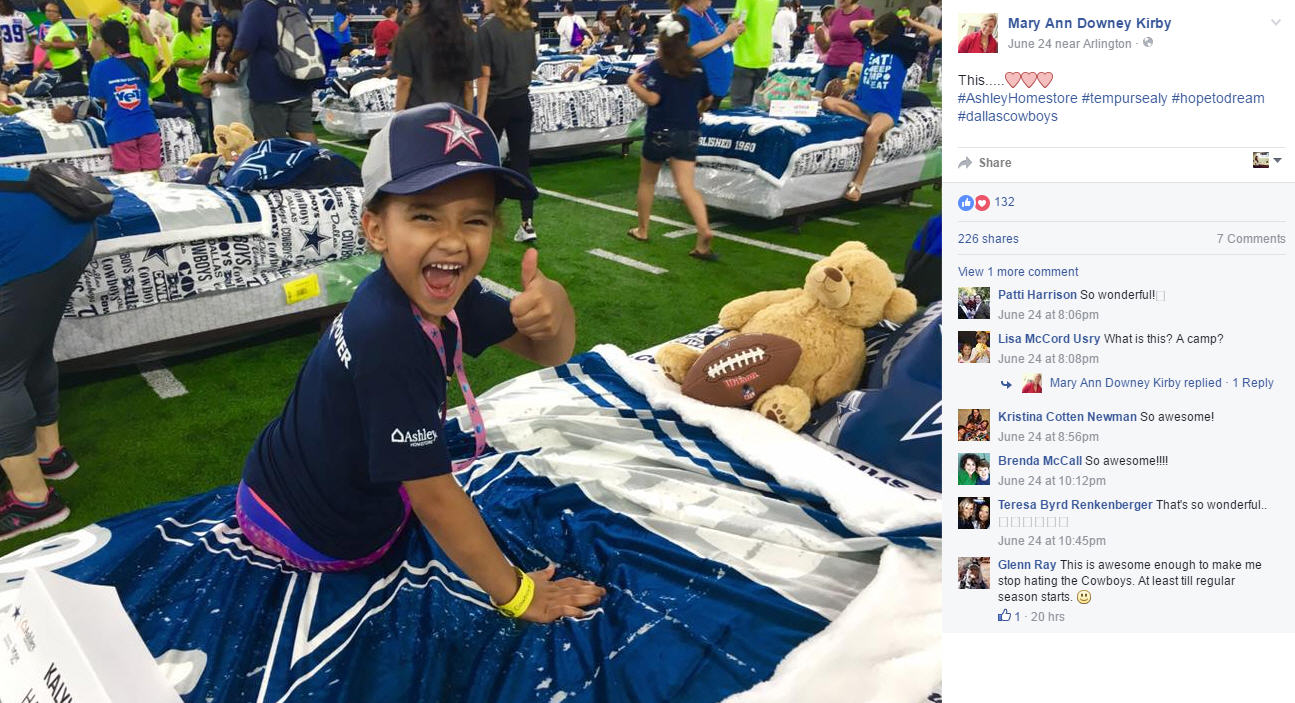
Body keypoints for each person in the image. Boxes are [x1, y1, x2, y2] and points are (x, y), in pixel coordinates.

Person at [238, 102, 603, 619]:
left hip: (275, 474)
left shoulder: (444, 288)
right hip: (312, 528)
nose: (453, 240)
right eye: (425, 214)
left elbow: (548, 352)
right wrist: (519, 595)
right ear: (376, 229)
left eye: (474, 219)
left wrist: (558, 310)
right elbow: (431, 495)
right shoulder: (389, 334)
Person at [0, 167, 97, 541]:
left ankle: (33, 502)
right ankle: (49, 454)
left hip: (32, 239)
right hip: (65, 227)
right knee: (31, 348)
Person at [625, 13, 716, 262]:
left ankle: (642, 229)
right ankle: (704, 231)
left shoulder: (658, 66)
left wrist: (632, 84)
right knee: (687, 187)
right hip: (688, 132)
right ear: (686, 38)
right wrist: (696, 111)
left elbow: (653, 99)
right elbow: (708, 99)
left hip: (659, 133)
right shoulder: (697, 66)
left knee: (647, 182)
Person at [820, 12, 938, 200]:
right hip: (861, 105)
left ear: (892, 35)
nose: (873, 41)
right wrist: (874, 24)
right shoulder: (870, 41)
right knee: (827, 102)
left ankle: (857, 184)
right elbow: (853, 25)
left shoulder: (904, 47)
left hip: (885, 110)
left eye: (878, 37)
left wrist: (912, 21)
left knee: (872, 133)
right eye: (873, 36)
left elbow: (938, 35)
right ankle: (869, 122)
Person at [478, 0, 538, 243]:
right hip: (522, 101)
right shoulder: (527, 28)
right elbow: (531, 67)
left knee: (484, 163)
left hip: (495, 103)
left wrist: (479, 113)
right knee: (522, 162)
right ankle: (528, 223)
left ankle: (481, 218)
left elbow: (484, 74)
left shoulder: (487, 30)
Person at [227, 0, 318, 142]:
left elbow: (243, 47)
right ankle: (316, 163)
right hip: (301, 83)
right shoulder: (296, 5)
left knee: (271, 143)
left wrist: (231, 60)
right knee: (305, 137)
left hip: (270, 88)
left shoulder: (256, 7)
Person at [90, 20, 163, 172]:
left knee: (134, 183)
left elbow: (100, 98)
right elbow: (145, 89)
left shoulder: (100, 68)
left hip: (121, 131)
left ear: (106, 45)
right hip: (147, 127)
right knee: (154, 180)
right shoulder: (140, 64)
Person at [392, 0, 480, 111]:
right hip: (453, 115)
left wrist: (398, 116)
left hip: (418, 114)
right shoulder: (467, 33)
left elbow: (404, 80)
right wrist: (467, 117)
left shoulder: (408, 31)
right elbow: (468, 85)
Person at [679, 0, 743, 105]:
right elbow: (693, 50)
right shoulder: (686, 17)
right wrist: (726, 36)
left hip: (719, 85)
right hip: (705, 89)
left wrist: (733, 34)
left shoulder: (708, 12)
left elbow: (722, 41)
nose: (709, 3)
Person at [171, 2, 213, 151]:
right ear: (187, 18)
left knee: (214, 125)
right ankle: (203, 155)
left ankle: (215, 152)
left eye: (202, 15)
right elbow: (176, 61)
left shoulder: (210, 32)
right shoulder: (180, 38)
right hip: (192, 89)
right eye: (198, 15)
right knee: (203, 125)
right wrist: (195, 62)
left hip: (213, 88)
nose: (202, 19)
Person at [200, 21, 252, 127]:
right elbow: (204, 73)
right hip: (218, 105)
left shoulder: (239, 56)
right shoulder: (215, 56)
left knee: (240, 133)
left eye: (226, 36)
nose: (221, 39)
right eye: (218, 36)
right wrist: (205, 84)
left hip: (236, 104)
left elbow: (230, 77)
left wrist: (210, 76)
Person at [811, 0, 870, 91]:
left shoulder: (863, 13)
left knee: (840, 98)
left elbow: (870, 40)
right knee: (817, 95)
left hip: (849, 66)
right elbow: (830, 40)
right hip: (829, 64)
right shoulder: (836, 14)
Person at [729, 0, 776, 107]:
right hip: (764, 55)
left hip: (745, 57)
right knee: (759, 108)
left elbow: (739, 24)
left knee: (739, 110)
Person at [37, 3, 82, 86]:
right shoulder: (53, 27)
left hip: (69, 66)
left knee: (75, 94)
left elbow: (72, 45)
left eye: (53, 11)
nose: (50, 13)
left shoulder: (61, 26)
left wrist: (51, 44)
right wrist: (40, 65)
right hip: (60, 67)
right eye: (47, 11)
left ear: (59, 14)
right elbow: (51, 50)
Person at [0, 0, 35, 82]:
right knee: (10, 85)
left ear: (7, 4)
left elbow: (34, 35)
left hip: (25, 58)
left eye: (1, 6)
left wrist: (31, 51)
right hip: (9, 59)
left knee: (26, 84)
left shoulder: (22, 16)